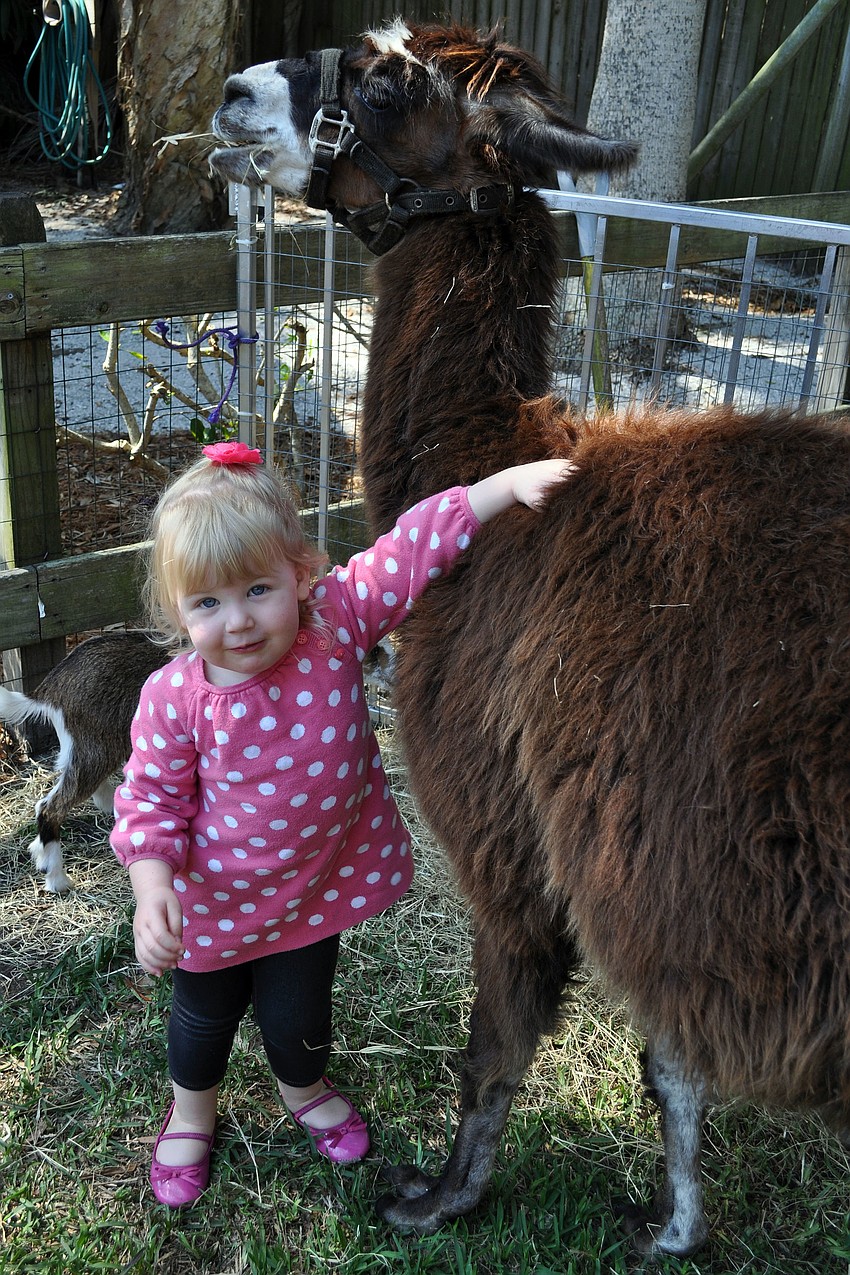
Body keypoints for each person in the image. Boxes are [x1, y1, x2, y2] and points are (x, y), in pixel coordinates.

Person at [111, 439, 573, 1208]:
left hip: (310, 897)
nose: (239, 620)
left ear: (301, 571)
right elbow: (150, 799)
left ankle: (304, 1087)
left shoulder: (337, 623)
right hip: (212, 909)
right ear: (178, 610)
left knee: (300, 1014)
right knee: (202, 1021)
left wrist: (496, 489)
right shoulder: (174, 697)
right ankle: (191, 1113)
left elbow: (408, 550)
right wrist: (150, 883)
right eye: (208, 603)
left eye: (258, 588)